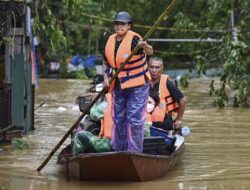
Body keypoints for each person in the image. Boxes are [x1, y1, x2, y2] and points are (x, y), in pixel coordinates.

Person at [103, 11, 153, 152]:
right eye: (117, 23)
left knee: (134, 119)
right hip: (119, 84)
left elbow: (150, 52)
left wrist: (144, 46)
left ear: (129, 26)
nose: (119, 26)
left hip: (138, 85)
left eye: (123, 24)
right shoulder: (111, 40)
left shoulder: (134, 39)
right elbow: (106, 62)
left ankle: (135, 151)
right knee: (118, 118)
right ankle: (118, 149)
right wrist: (106, 78)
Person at [148, 57, 186, 131]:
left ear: (162, 69)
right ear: (148, 68)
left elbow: (182, 100)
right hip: (145, 116)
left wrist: (179, 119)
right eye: (151, 67)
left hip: (164, 118)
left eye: (157, 67)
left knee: (168, 125)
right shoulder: (143, 82)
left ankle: (150, 126)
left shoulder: (168, 83)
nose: (154, 70)